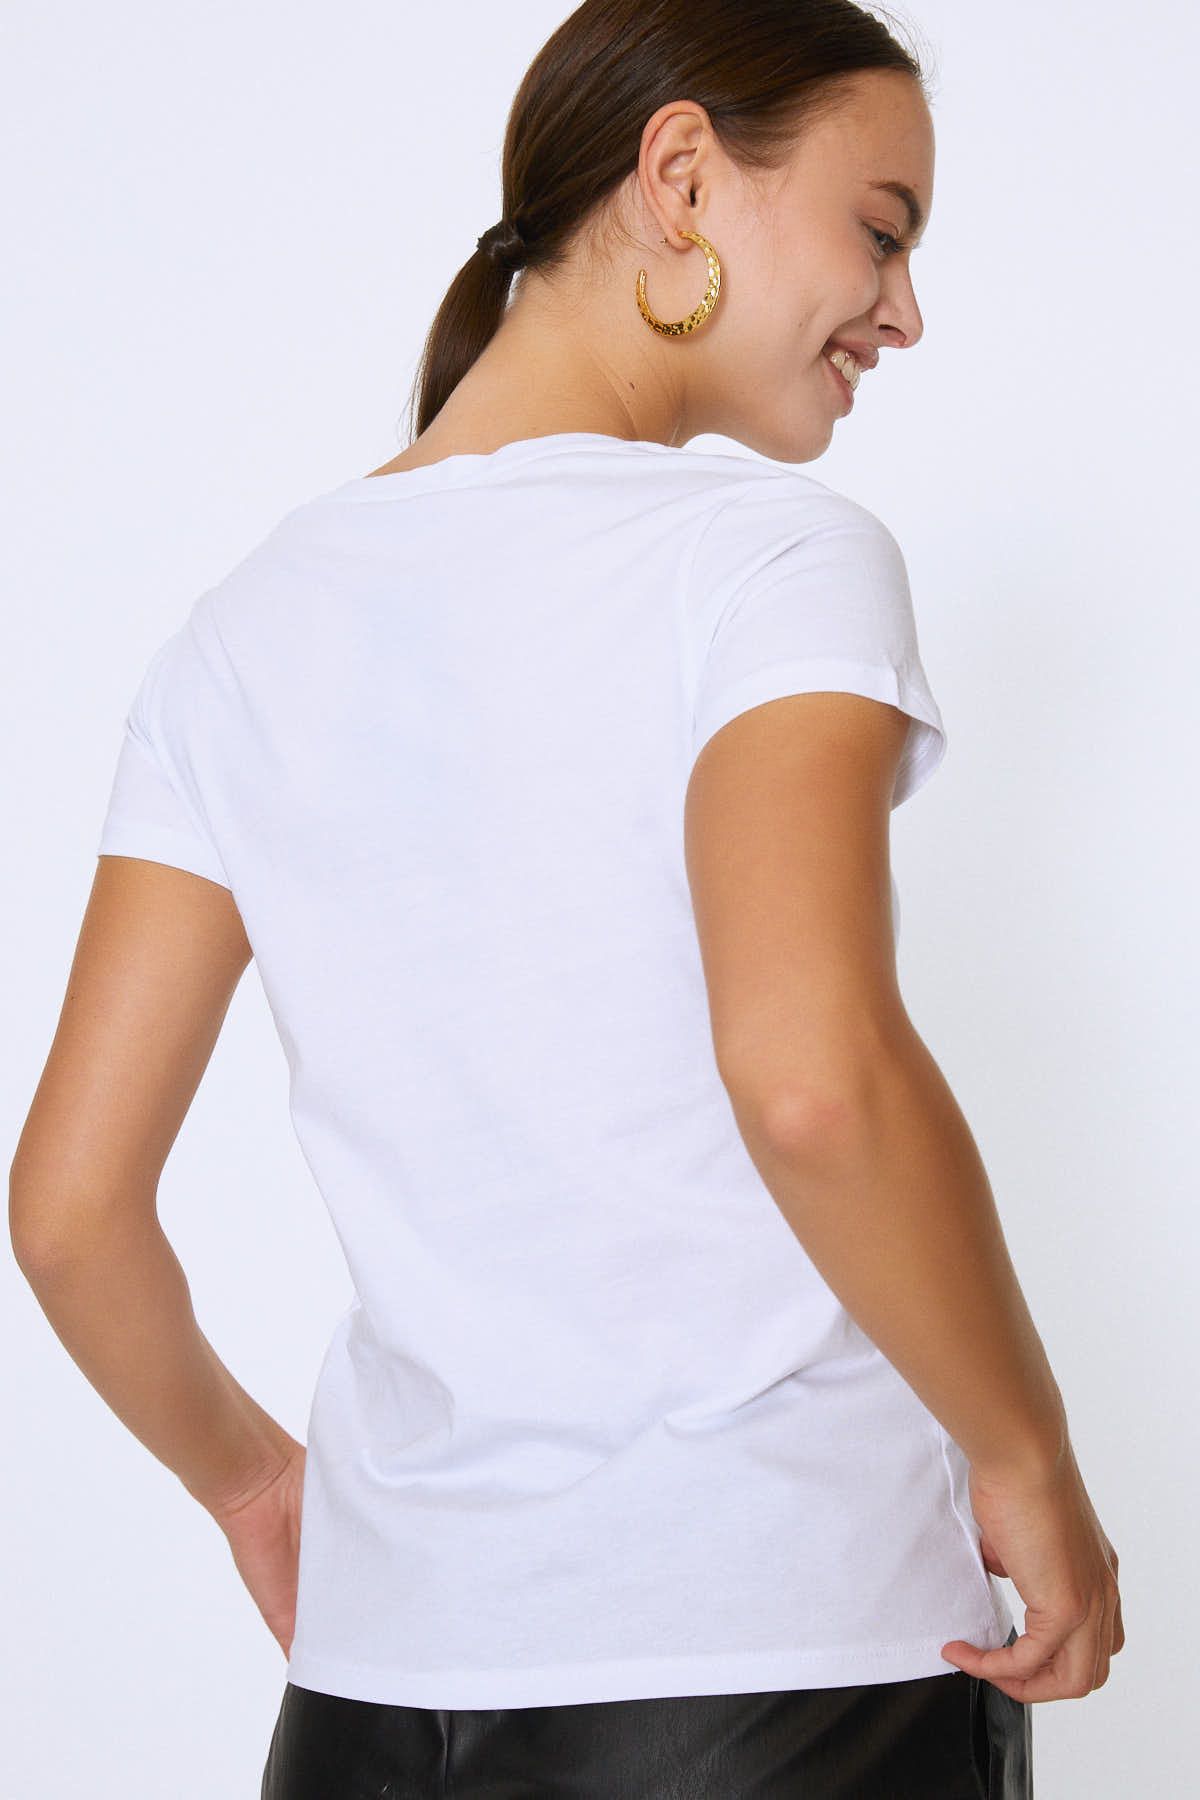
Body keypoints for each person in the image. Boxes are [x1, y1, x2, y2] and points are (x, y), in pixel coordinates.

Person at [9, 0, 1123, 1794]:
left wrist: (254, 1485)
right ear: (681, 174)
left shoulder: (243, 632)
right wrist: (1027, 1452)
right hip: (778, 1674)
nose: (904, 310)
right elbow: (811, 1080)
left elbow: (69, 1210)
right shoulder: (766, 563)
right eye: (881, 230)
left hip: (376, 1695)